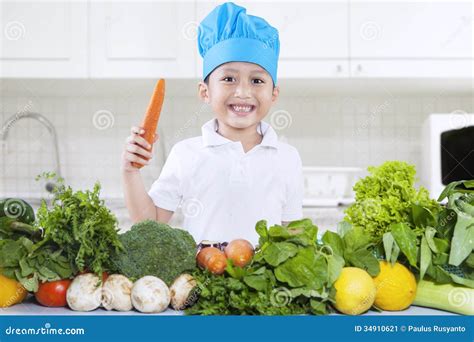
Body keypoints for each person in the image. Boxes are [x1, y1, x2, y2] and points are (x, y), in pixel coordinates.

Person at [121, 2, 303, 245]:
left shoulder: (287, 158)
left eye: (257, 81)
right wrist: (130, 171)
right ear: (205, 92)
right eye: (229, 78)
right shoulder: (186, 154)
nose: (243, 91)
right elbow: (150, 224)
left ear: (274, 94)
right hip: (202, 281)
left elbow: (292, 238)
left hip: (267, 283)